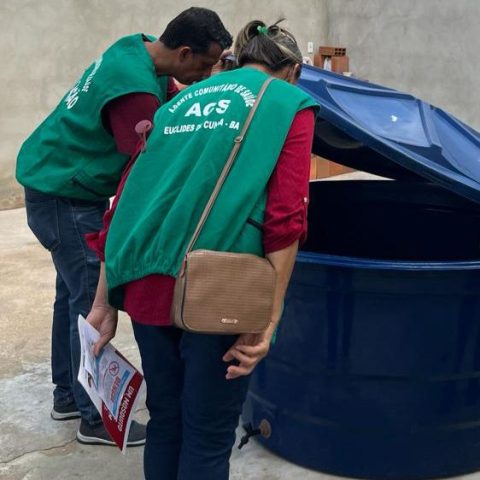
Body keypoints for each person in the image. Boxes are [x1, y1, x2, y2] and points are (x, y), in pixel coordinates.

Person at [86, 19, 318, 479]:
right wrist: (268, 320)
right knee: (208, 435)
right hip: (219, 293)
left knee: (166, 420)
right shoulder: (289, 103)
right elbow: (285, 219)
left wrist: (103, 302)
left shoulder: (177, 102)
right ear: (292, 71)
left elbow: (125, 203)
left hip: (145, 281)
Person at [15, 7, 232, 447]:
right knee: (89, 303)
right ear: (183, 52)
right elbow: (144, 175)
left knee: (70, 296)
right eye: (205, 65)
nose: (207, 74)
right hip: (65, 196)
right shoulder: (135, 94)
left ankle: (67, 396)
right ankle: (94, 418)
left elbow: (169, 93)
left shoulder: (138, 47)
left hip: (53, 181)